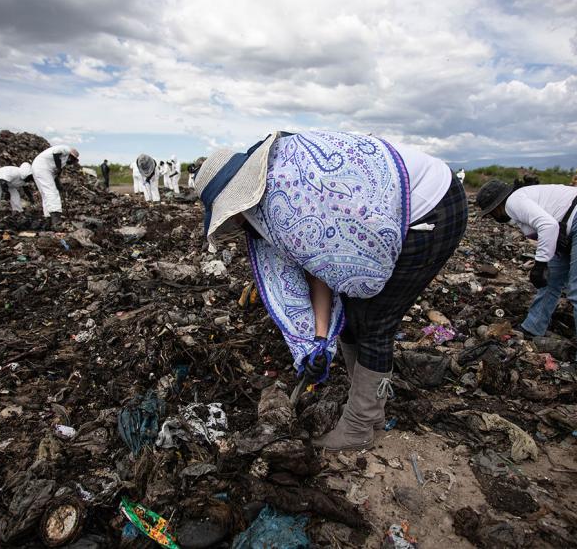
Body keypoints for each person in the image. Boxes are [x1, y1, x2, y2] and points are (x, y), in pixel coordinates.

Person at [195, 131, 468, 451]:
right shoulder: (276, 202)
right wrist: (321, 339)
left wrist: (330, 329)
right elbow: (319, 268)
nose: (235, 222)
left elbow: (332, 268)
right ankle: (369, 407)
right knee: (354, 317)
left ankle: (359, 426)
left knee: (375, 320)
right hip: (405, 204)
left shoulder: (292, 194)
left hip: (431, 207)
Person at [476, 180, 577, 370]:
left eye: (490, 213)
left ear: (497, 205)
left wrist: (540, 263)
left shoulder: (513, 202)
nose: (492, 217)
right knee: (551, 279)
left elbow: (548, 225)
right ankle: (533, 326)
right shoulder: (523, 198)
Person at [30, 144, 79, 227]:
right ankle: (56, 219)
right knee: (52, 192)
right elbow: (56, 153)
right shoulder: (66, 149)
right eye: (72, 160)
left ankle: (48, 219)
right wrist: (59, 168)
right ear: (71, 156)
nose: (71, 162)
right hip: (42, 167)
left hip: (38, 167)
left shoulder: (61, 161)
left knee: (45, 194)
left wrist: (59, 185)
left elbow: (55, 177)